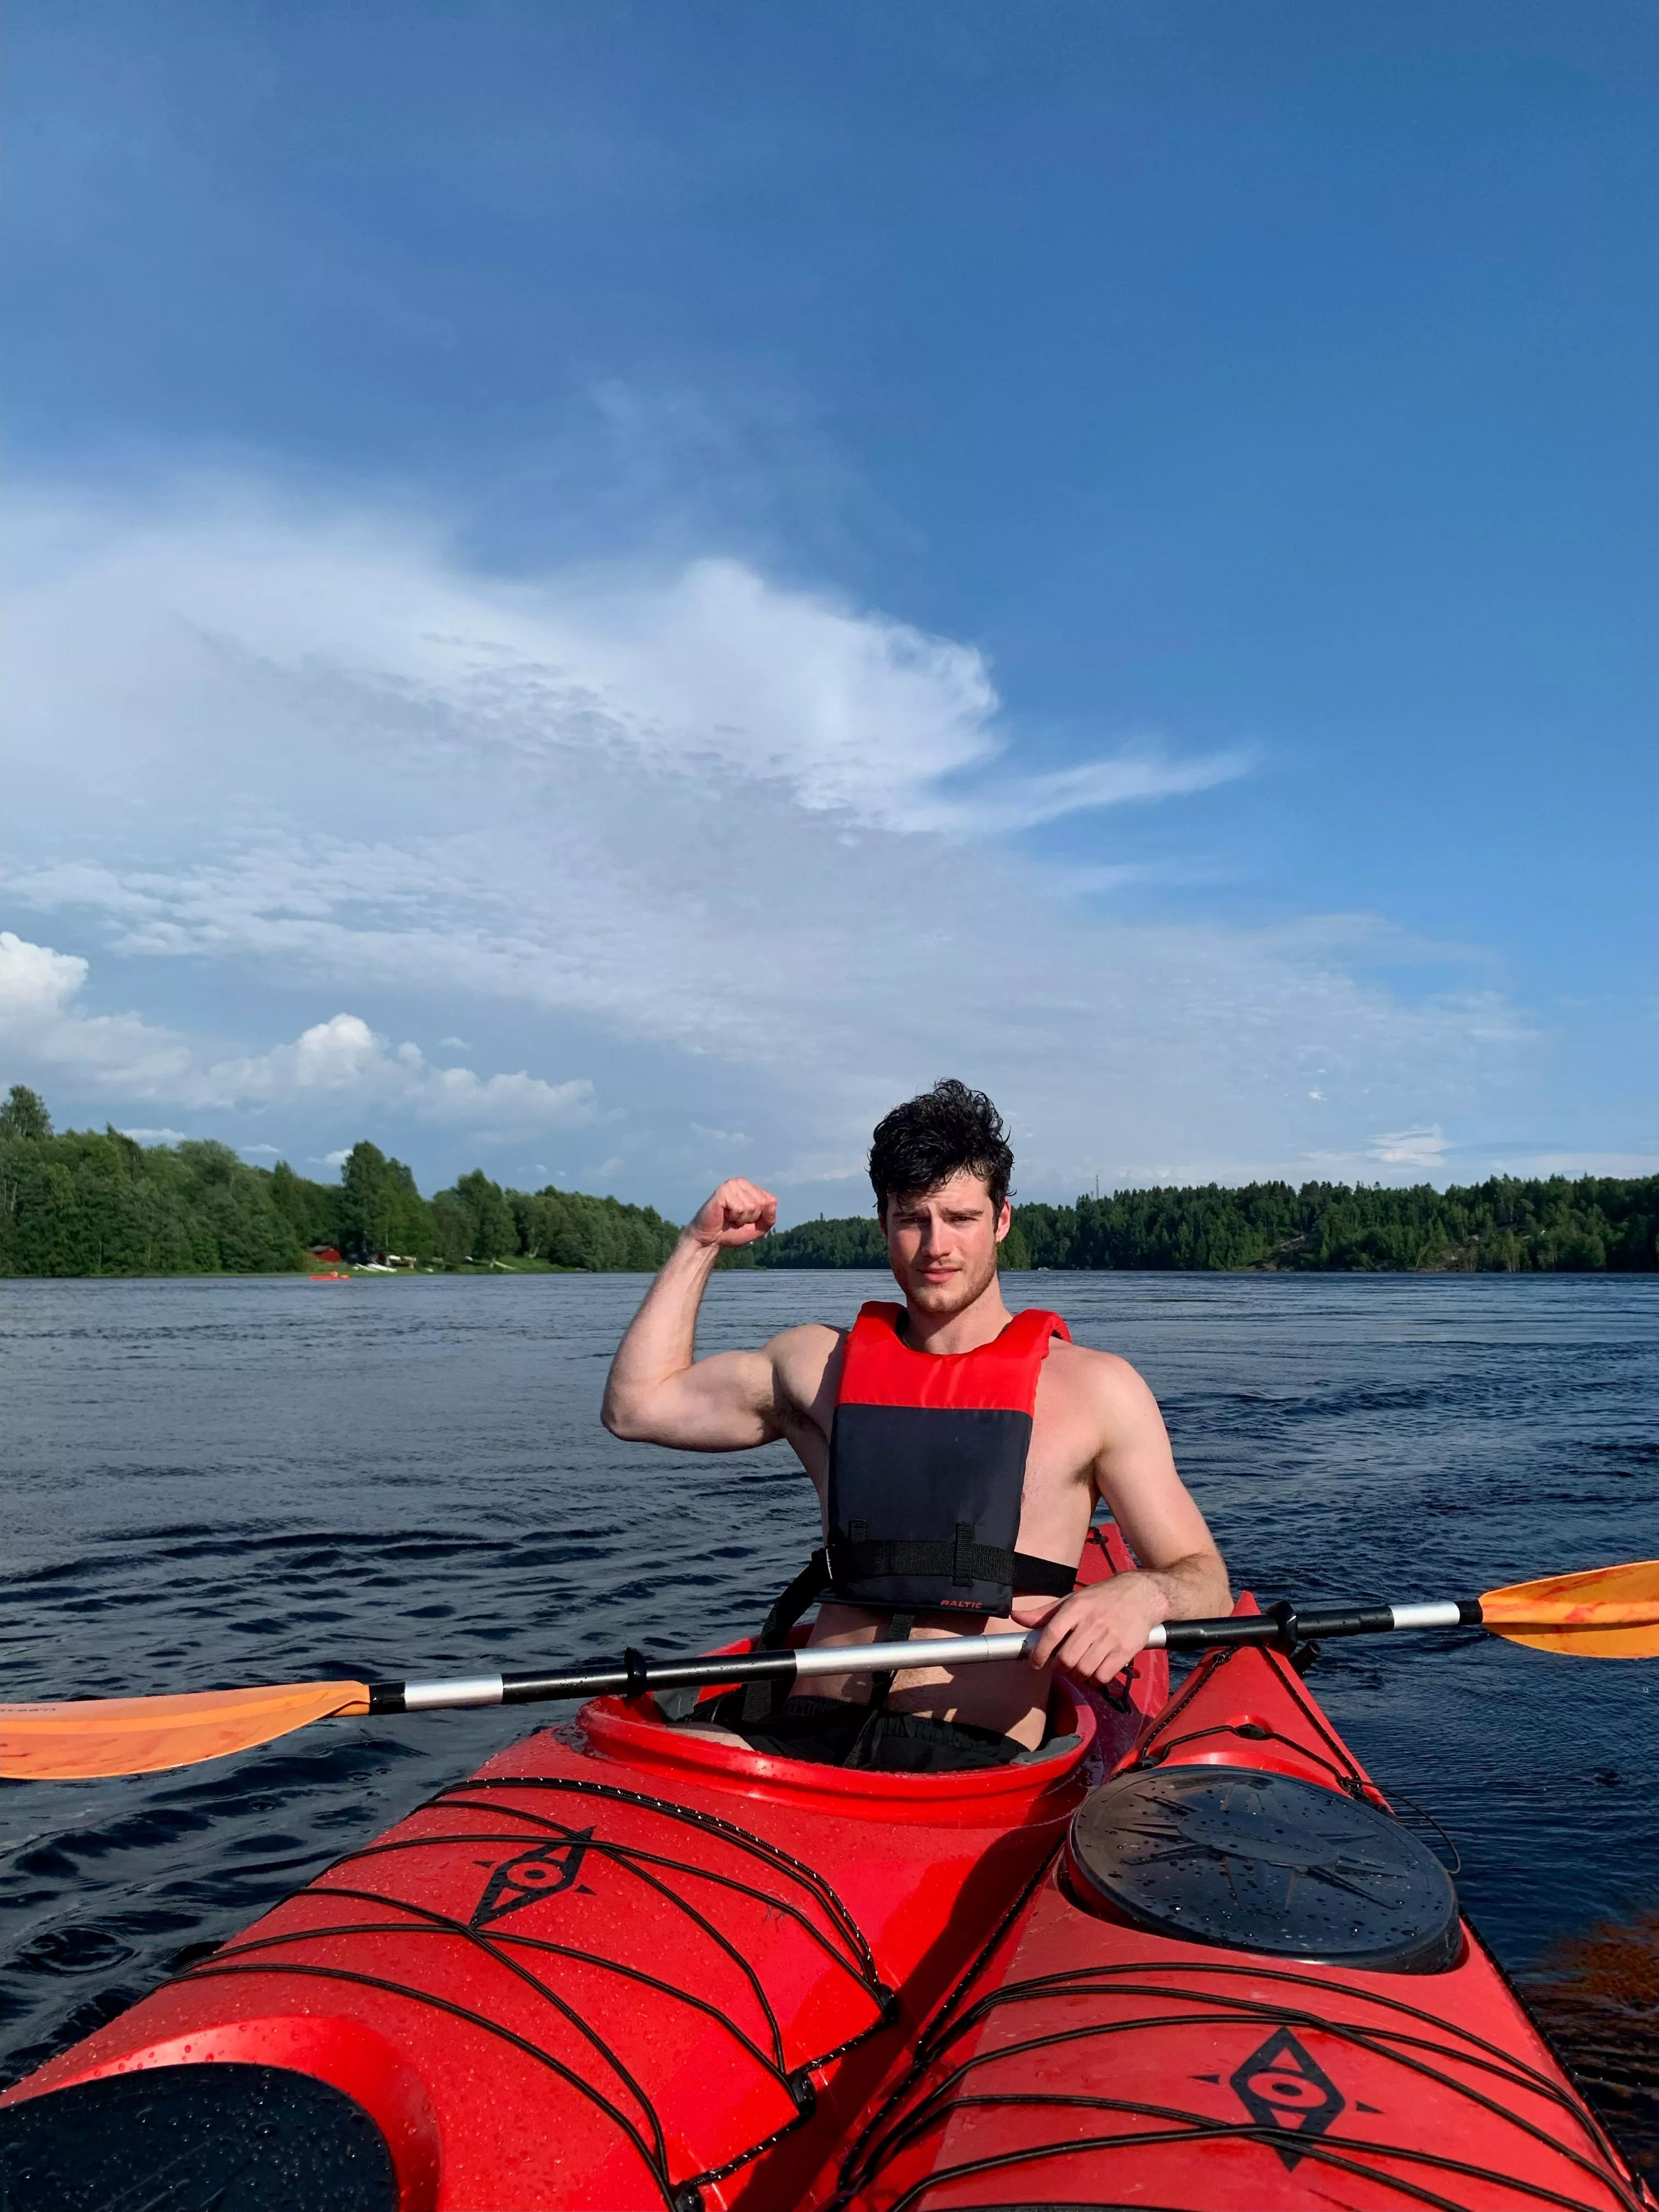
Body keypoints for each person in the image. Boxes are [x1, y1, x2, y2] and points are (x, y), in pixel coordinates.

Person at [603, 1079, 1229, 1773]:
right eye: (913, 1219)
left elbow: (1207, 1582)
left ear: (1002, 1222)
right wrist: (699, 1243)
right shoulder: (817, 1365)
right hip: (805, 1735)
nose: (936, 1245)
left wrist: (1142, 1592)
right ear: (883, 1224)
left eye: (960, 1218)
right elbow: (637, 1409)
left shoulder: (1096, 1389)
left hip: (972, 1760)